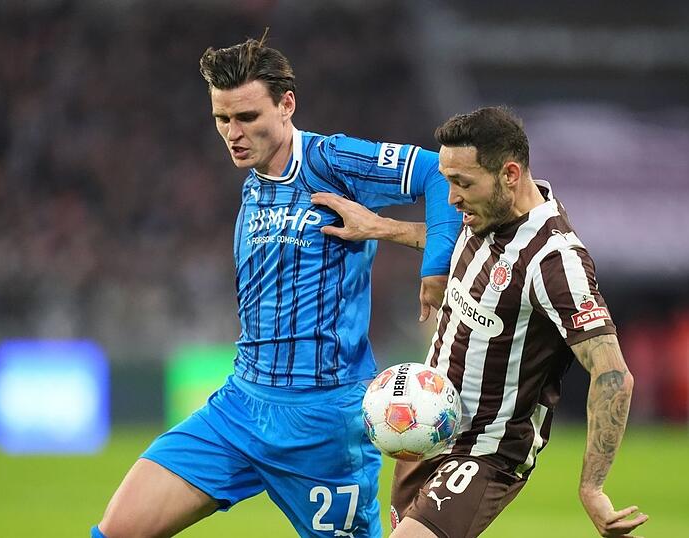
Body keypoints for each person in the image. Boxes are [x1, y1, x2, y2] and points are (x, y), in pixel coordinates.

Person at [92, 33, 461, 538]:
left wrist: (436, 267)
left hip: (323, 423)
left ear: (287, 105)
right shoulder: (255, 181)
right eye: (222, 119)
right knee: (119, 529)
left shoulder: (331, 161)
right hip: (240, 407)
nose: (233, 133)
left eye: (247, 118)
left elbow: (440, 174)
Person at [322, 106, 647, 537]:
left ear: (510, 174)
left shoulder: (554, 261)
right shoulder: (487, 213)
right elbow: (451, 242)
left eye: (462, 183)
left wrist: (593, 486)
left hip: (483, 453)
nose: (451, 198)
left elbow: (613, 374)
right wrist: (380, 227)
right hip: (422, 432)